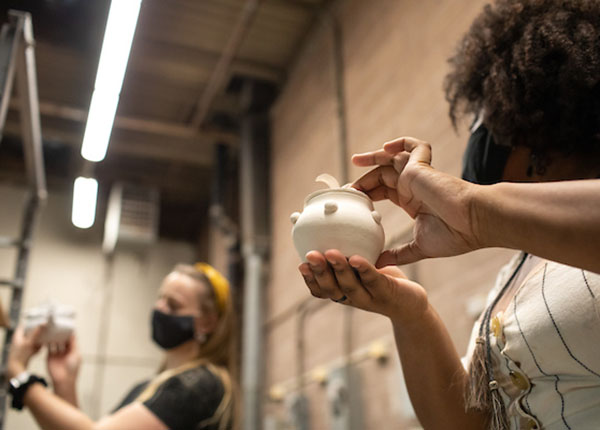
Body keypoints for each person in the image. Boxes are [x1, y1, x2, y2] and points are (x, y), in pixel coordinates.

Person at [299, 1, 600, 429]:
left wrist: (474, 210)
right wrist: (410, 313)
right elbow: (467, 424)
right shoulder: (519, 268)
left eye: (493, 125)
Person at [7, 263, 235, 430]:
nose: (159, 309)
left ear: (208, 322)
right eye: (160, 298)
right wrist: (64, 381)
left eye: (173, 305)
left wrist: (20, 375)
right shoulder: (149, 388)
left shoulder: (199, 386)